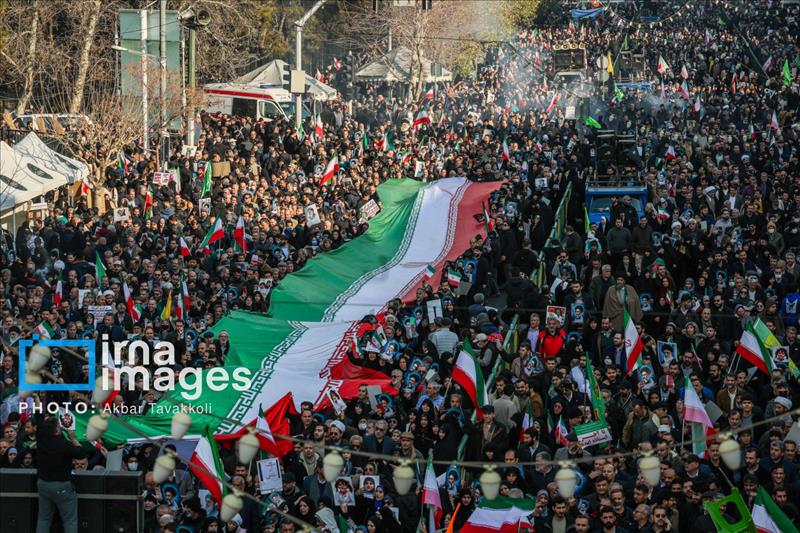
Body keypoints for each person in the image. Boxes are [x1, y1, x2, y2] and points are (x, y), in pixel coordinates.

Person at [35, 415, 87, 533]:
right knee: (69, 521)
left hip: (43, 484)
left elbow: (38, 419)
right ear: (57, 429)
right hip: (61, 486)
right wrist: (73, 438)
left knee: (43, 519)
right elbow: (81, 453)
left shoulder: (41, 438)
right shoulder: (64, 444)